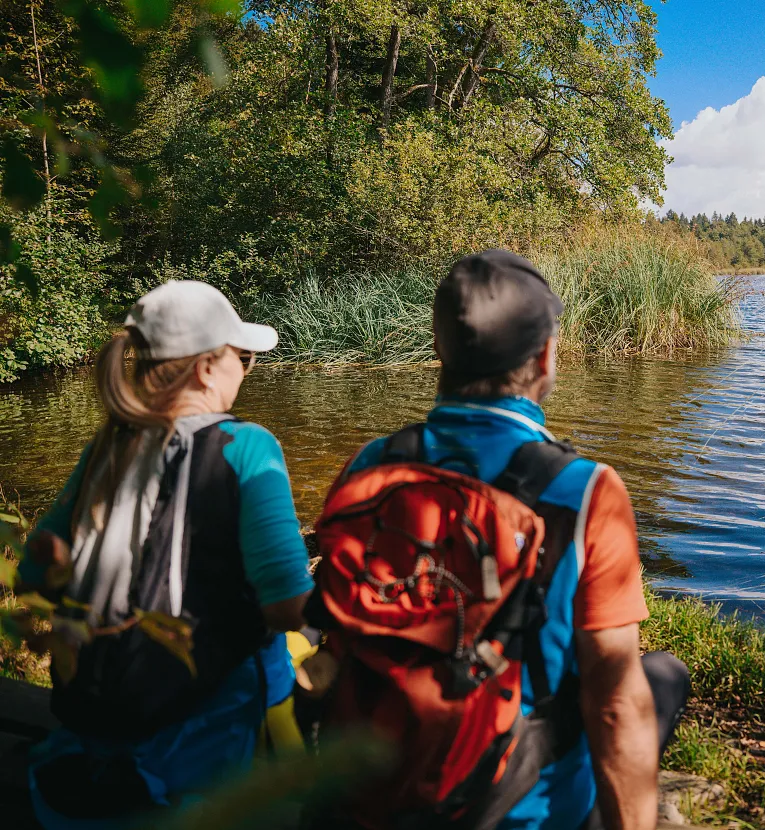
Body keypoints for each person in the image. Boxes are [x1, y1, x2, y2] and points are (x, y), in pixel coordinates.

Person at [316, 249, 689, 830]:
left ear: (439, 348)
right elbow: (614, 703)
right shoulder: (584, 490)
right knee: (662, 676)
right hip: (518, 808)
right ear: (545, 356)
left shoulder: (369, 466)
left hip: (373, 789)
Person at [16, 280, 314, 827]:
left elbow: (34, 575)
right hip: (202, 749)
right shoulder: (247, 445)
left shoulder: (108, 445)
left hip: (94, 733)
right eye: (244, 358)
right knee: (295, 646)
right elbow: (286, 607)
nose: (247, 372)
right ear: (205, 368)